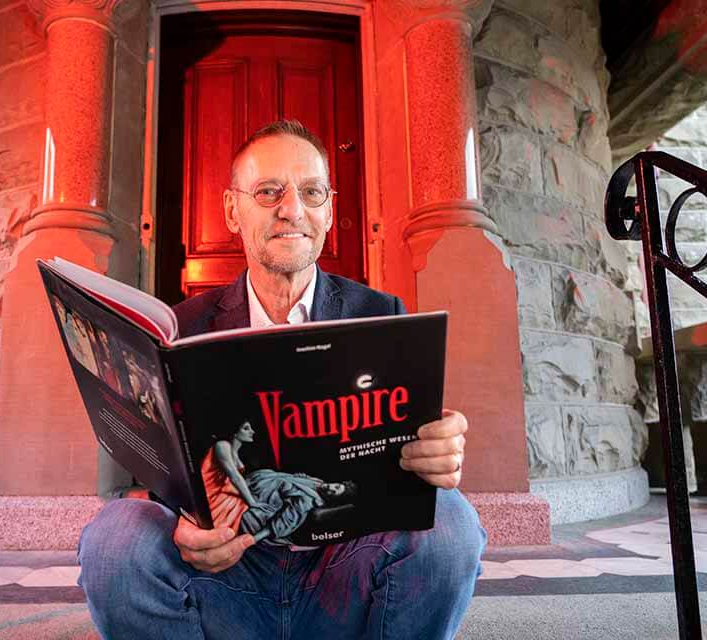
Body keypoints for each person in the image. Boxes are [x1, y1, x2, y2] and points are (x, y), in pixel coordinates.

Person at [78, 119, 486, 639]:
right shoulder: (184, 328)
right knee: (115, 538)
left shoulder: (380, 315)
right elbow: (161, 476)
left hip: (344, 577)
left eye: (311, 192)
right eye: (268, 191)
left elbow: (408, 474)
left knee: (451, 522)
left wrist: (437, 453)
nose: (291, 208)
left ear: (330, 210)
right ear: (231, 210)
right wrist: (184, 526)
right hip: (224, 580)